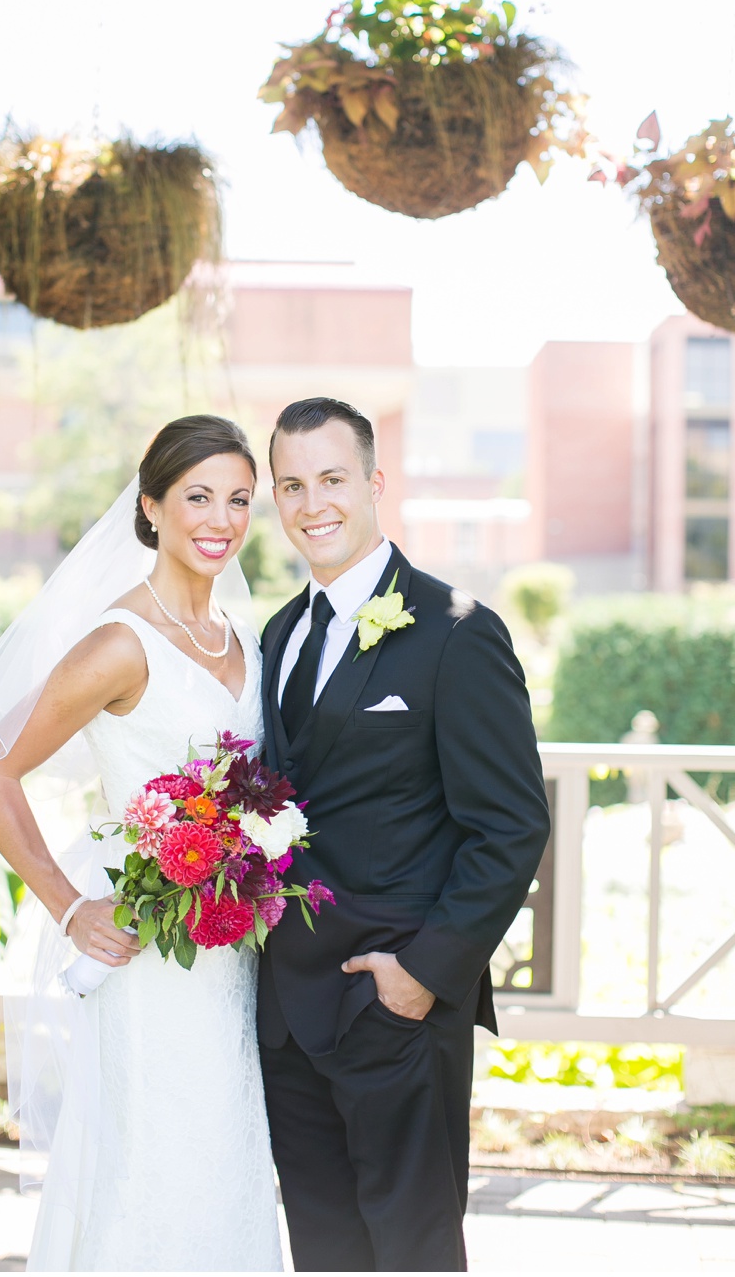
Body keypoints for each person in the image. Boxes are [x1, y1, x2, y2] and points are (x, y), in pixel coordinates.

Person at [0, 415, 283, 1272]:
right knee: (153, 1158)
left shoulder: (247, 640)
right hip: (147, 952)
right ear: (151, 507)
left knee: (226, 1153)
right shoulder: (119, 643)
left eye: (240, 500)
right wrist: (70, 907)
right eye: (198, 496)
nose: (220, 519)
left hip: (228, 955)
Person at [256, 397, 549, 1272]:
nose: (314, 504)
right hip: (286, 1015)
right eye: (292, 484)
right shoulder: (278, 635)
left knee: (415, 1251)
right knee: (325, 1250)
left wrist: (422, 976)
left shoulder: (458, 632)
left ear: (376, 482)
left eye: (333, 479)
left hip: (396, 1008)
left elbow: (511, 825)